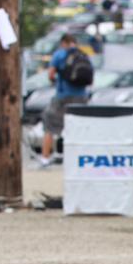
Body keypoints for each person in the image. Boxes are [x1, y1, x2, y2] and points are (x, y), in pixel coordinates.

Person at [38, 33, 91, 168]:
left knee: (50, 127)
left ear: (63, 42)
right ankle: (78, 159)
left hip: (63, 95)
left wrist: (56, 82)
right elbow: (90, 79)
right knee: (78, 129)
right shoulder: (83, 55)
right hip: (81, 96)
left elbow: (50, 74)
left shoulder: (60, 54)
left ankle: (45, 158)